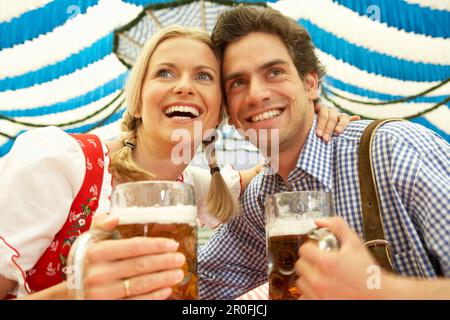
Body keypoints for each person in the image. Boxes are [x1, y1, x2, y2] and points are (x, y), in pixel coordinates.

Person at [0, 25, 351, 300]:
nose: (184, 86)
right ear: (137, 102)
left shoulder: (192, 189)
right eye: (165, 73)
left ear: (218, 116)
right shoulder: (57, 162)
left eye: (203, 76)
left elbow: (267, 165)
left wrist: (312, 112)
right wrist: (76, 293)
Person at [198, 5, 450, 300]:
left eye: (275, 72)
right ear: (228, 110)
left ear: (310, 84)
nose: (256, 94)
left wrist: (383, 289)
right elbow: (199, 290)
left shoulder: (395, 151)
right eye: (238, 83)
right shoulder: (259, 200)